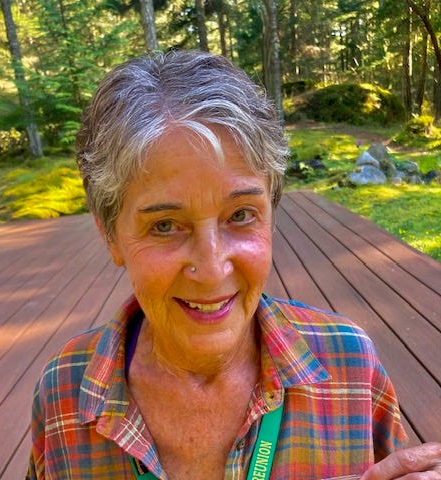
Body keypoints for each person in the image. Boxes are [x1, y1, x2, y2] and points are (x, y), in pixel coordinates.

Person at [27, 50, 441, 480]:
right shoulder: (64, 392)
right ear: (110, 234)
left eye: (240, 215)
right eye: (165, 225)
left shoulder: (350, 367)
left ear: (272, 212)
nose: (211, 269)